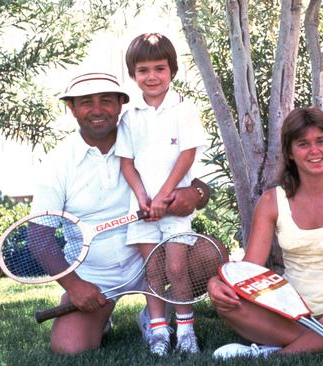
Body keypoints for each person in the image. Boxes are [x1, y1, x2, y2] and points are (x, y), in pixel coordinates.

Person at [31, 71, 209, 355]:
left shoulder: (146, 135)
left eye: (106, 101)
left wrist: (195, 194)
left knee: (213, 257)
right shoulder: (57, 162)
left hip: (152, 258)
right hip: (96, 276)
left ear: (120, 105)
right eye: (86, 102)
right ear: (72, 108)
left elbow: (196, 184)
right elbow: (39, 235)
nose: (98, 110)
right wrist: (75, 285)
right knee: (69, 347)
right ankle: (102, 314)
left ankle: (155, 313)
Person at [208, 107, 323, 359]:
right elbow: (251, 269)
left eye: (321, 141)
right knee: (230, 305)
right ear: (290, 153)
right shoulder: (272, 201)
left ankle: (275, 353)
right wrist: (216, 284)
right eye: (303, 144)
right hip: (289, 313)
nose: (314, 151)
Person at [115, 33, 208, 356]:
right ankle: (158, 332)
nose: (152, 76)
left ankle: (185, 330)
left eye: (159, 68)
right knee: (152, 271)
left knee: (177, 269)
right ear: (133, 74)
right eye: (143, 70)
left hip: (174, 208)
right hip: (142, 209)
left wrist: (164, 197)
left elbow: (187, 157)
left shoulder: (184, 109)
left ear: (172, 71)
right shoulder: (129, 116)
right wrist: (142, 197)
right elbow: (127, 163)